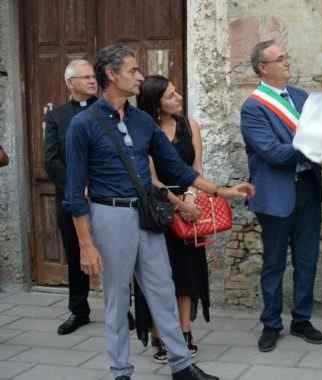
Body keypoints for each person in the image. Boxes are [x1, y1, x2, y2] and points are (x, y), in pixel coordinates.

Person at [65, 43, 253, 380]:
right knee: (118, 299)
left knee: (163, 289)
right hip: (109, 215)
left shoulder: (141, 121)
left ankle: (181, 366)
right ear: (112, 74)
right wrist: (85, 244)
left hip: (147, 214)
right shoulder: (83, 124)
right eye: (133, 70)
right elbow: (74, 191)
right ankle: (121, 371)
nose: (139, 76)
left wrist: (223, 191)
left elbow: (176, 169)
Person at [240, 39, 322, 352]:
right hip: (275, 194)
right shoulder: (253, 107)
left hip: (307, 188)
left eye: (286, 57)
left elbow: (320, 134)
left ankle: (301, 319)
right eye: (281, 58)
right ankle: (271, 324)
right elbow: (273, 153)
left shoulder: (302, 97)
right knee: (274, 263)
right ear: (264, 67)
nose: (288, 62)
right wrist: (316, 144)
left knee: (307, 260)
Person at [133, 75, 210, 363]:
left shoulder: (191, 126)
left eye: (177, 92)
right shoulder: (143, 131)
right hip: (156, 210)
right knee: (157, 276)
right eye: (170, 96)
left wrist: (191, 198)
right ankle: (159, 335)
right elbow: (150, 180)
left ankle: (185, 331)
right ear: (155, 104)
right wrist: (180, 205)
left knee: (187, 272)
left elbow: (196, 167)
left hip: (187, 204)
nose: (178, 98)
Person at [44, 59, 98, 335]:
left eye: (93, 76)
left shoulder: (106, 111)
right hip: (70, 198)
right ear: (70, 83)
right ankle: (79, 310)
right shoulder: (56, 117)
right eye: (85, 77)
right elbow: (51, 161)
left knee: (113, 254)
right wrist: (77, 188)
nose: (92, 80)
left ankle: (122, 309)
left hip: (105, 197)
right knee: (76, 253)